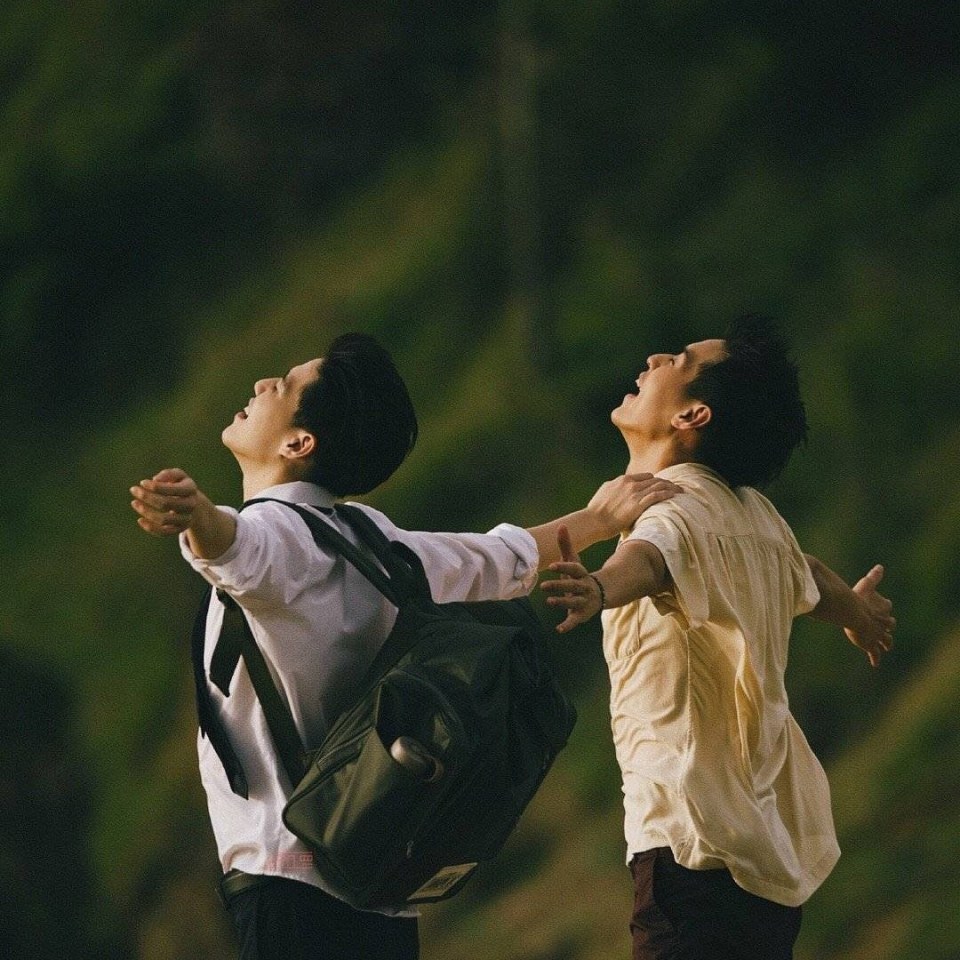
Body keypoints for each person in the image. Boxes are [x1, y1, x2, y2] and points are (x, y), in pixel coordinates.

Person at [130, 332, 680, 960]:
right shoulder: (370, 538)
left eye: (280, 385)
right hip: (381, 887)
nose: (260, 385)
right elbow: (498, 559)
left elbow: (238, 548)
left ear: (298, 444)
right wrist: (600, 520)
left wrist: (198, 516)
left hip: (290, 887)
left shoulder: (277, 533)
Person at [542, 316, 895, 960]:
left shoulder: (672, 505)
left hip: (689, 844)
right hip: (768, 856)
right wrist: (857, 614)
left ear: (693, 415)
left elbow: (653, 559)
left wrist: (598, 588)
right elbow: (810, 575)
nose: (655, 357)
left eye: (678, 359)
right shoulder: (760, 518)